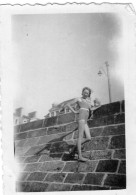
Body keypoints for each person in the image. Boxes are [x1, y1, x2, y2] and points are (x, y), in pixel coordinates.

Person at [64, 87, 101, 162]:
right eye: (84, 92)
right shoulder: (78, 99)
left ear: (88, 94)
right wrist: (74, 111)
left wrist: (99, 106)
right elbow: (67, 104)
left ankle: (74, 149)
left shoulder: (88, 101)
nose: (85, 94)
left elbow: (91, 109)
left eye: (87, 93)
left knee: (88, 138)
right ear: (82, 92)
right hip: (81, 118)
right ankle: (79, 157)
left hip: (86, 120)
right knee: (80, 137)